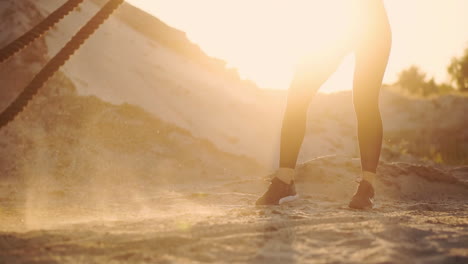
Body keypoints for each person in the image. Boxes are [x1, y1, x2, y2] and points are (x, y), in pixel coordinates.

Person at [255, 0, 392, 209]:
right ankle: (284, 181)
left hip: (373, 25)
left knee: (365, 100)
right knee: (299, 91)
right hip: (338, 24)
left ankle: (367, 187)